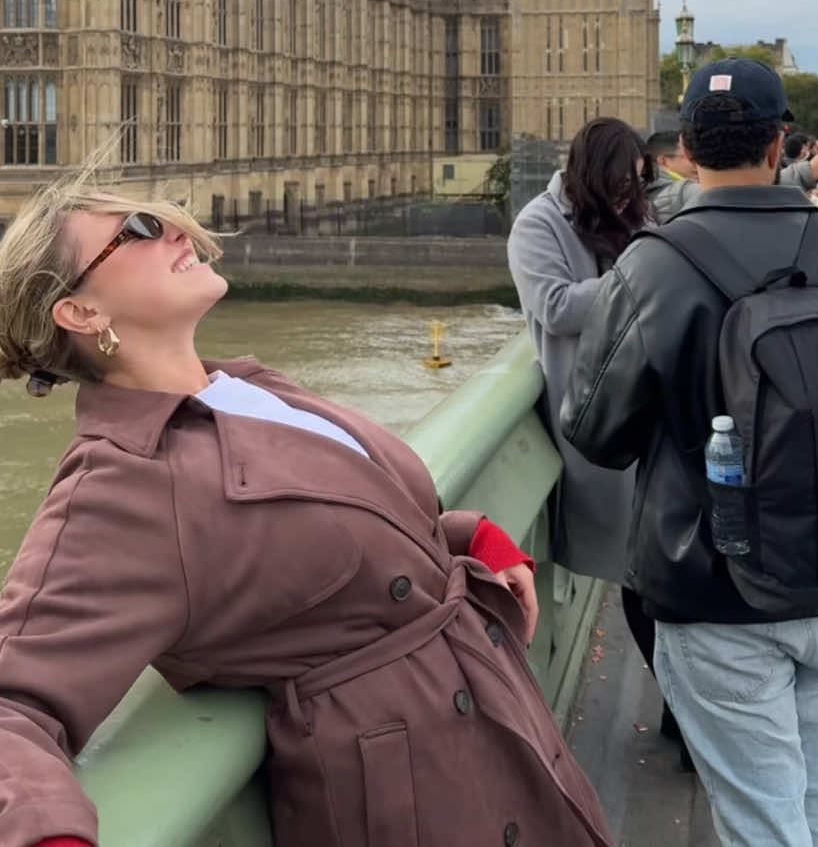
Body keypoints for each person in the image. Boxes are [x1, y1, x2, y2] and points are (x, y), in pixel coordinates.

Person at [0, 171, 615, 847]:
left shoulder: (247, 388)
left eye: (164, 213)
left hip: (502, 731)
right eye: (138, 230)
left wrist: (472, 539)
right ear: (81, 313)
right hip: (412, 802)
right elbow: (13, 703)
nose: (175, 227)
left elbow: (350, 537)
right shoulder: (121, 482)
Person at [560, 59, 818, 847]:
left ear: (689, 152)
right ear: (779, 144)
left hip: (710, 586)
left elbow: (595, 432)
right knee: (812, 811)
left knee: (764, 821)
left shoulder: (651, 266)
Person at [507, 118, 650, 639]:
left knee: (661, 559)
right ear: (592, 174)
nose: (628, 194)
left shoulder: (637, 216)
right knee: (635, 568)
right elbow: (556, 306)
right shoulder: (537, 224)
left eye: (636, 181)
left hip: (651, 405)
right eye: (621, 181)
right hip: (593, 409)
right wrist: (641, 281)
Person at [645, 129, 701, 221]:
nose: (697, 163)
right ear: (663, 161)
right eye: (689, 157)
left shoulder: (641, 188)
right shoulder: (689, 190)